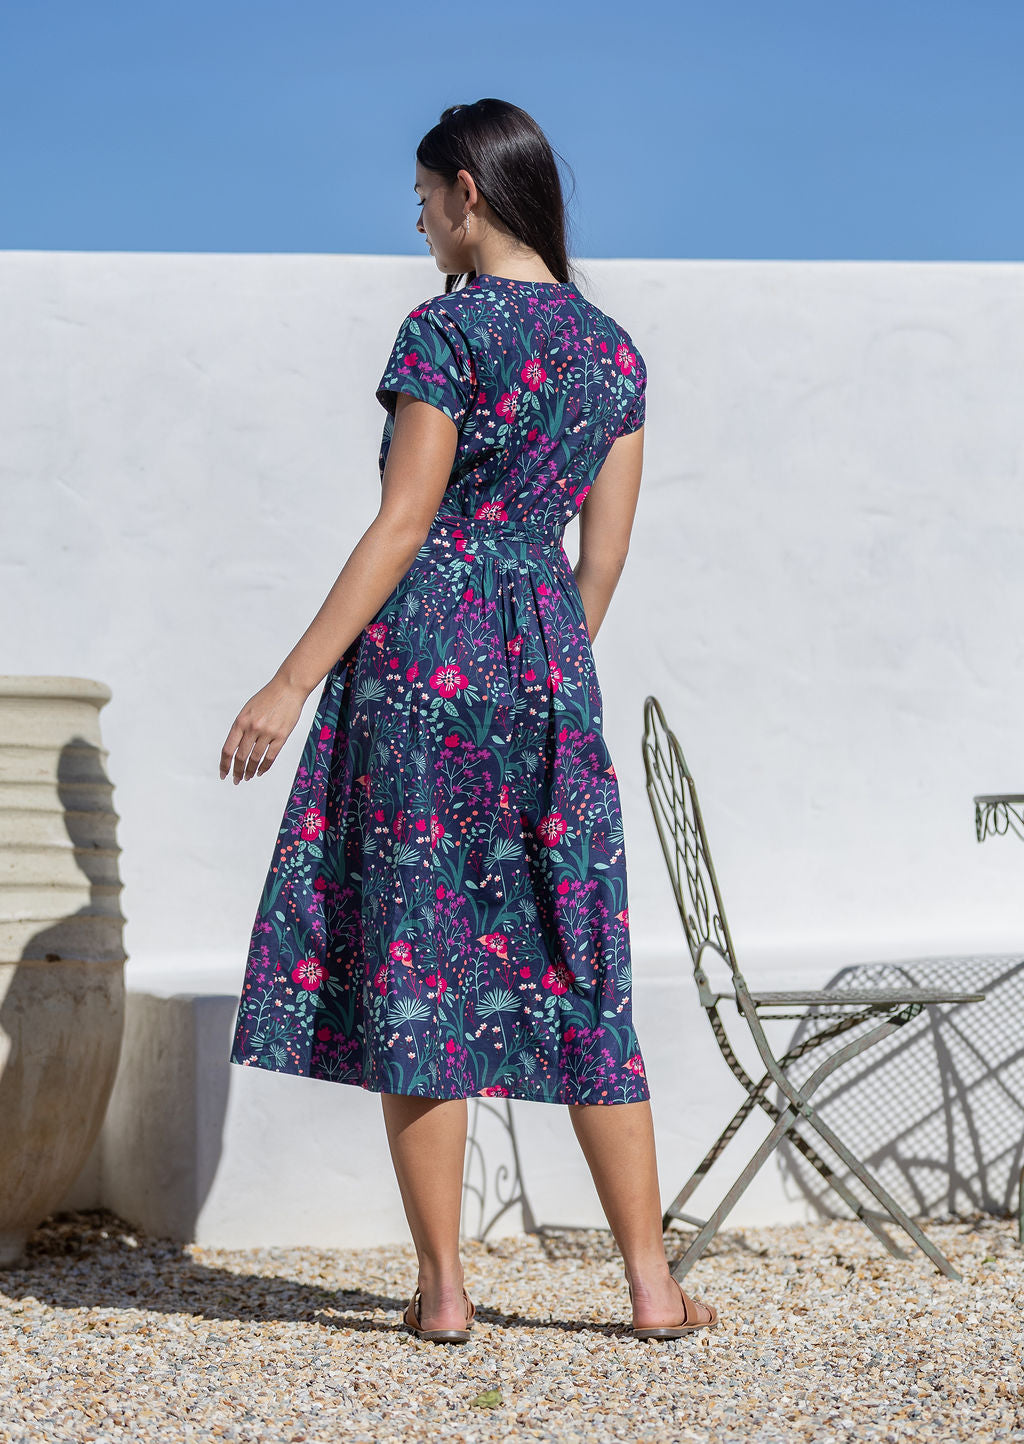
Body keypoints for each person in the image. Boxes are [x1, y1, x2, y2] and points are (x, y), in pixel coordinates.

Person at [220, 98, 718, 1344]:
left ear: (468, 193)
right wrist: (537, 670)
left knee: (417, 961)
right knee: (580, 960)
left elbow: (404, 521)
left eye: (425, 200)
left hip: (418, 655)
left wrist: (288, 682)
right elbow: (601, 563)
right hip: (549, 664)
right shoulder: (614, 354)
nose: (422, 221)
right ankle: (651, 1286)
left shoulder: (444, 330)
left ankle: (445, 1293)